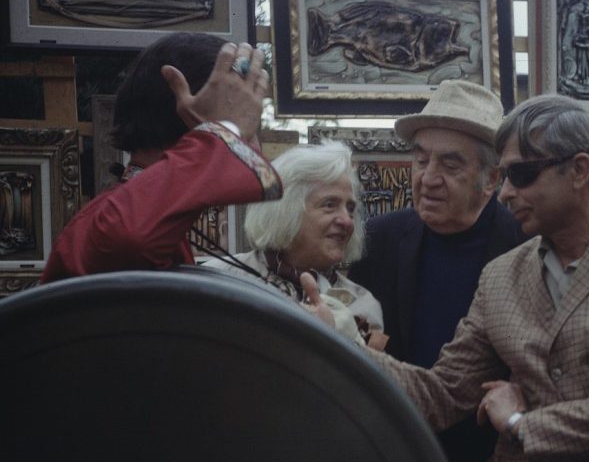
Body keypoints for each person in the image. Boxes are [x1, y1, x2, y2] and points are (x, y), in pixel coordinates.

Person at [351, 94, 589, 462]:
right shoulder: (502, 276)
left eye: (519, 175)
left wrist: (520, 424)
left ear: (579, 170)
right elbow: (443, 392)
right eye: (506, 175)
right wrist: (340, 342)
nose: (505, 194)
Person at [347, 79, 525, 462]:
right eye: (420, 160)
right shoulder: (379, 240)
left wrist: (513, 457)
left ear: (492, 177)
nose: (427, 179)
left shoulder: (526, 246)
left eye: (451, 165)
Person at [41, 33, 280, 283]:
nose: (252, 144)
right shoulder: (116, 224)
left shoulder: (142, 219)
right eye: (244, 122)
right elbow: (129, 238)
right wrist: (221, 131)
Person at [205, 141, 383, 347]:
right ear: (286, 209)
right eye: (329, 205)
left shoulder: (364, 305)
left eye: (350, 208)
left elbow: (374, 375)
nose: (347, 220)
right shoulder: (218, 280)